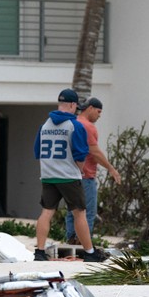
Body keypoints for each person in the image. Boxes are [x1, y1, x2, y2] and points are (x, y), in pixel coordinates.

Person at [32, 88, 106, 262]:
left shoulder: (45, 126)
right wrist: (80, 169)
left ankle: (40, 252)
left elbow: (37, 151)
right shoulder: (75, 125)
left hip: (48, 176)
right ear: (73, 105)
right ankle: (89, 252)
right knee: (79, 213)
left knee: (46, 212)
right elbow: (81, 155)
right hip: (69, 176)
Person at [64, 97, 121, 244]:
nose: (99, 115)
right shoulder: (87, 126)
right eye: (98, 111)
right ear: (90, 108)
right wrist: (111, 169)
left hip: (69, 175)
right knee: (87, 212)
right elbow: (94, 152)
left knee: (72, 212)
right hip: (85, 176)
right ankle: (84, 244)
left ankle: (71, 241)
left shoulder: (72, 123)